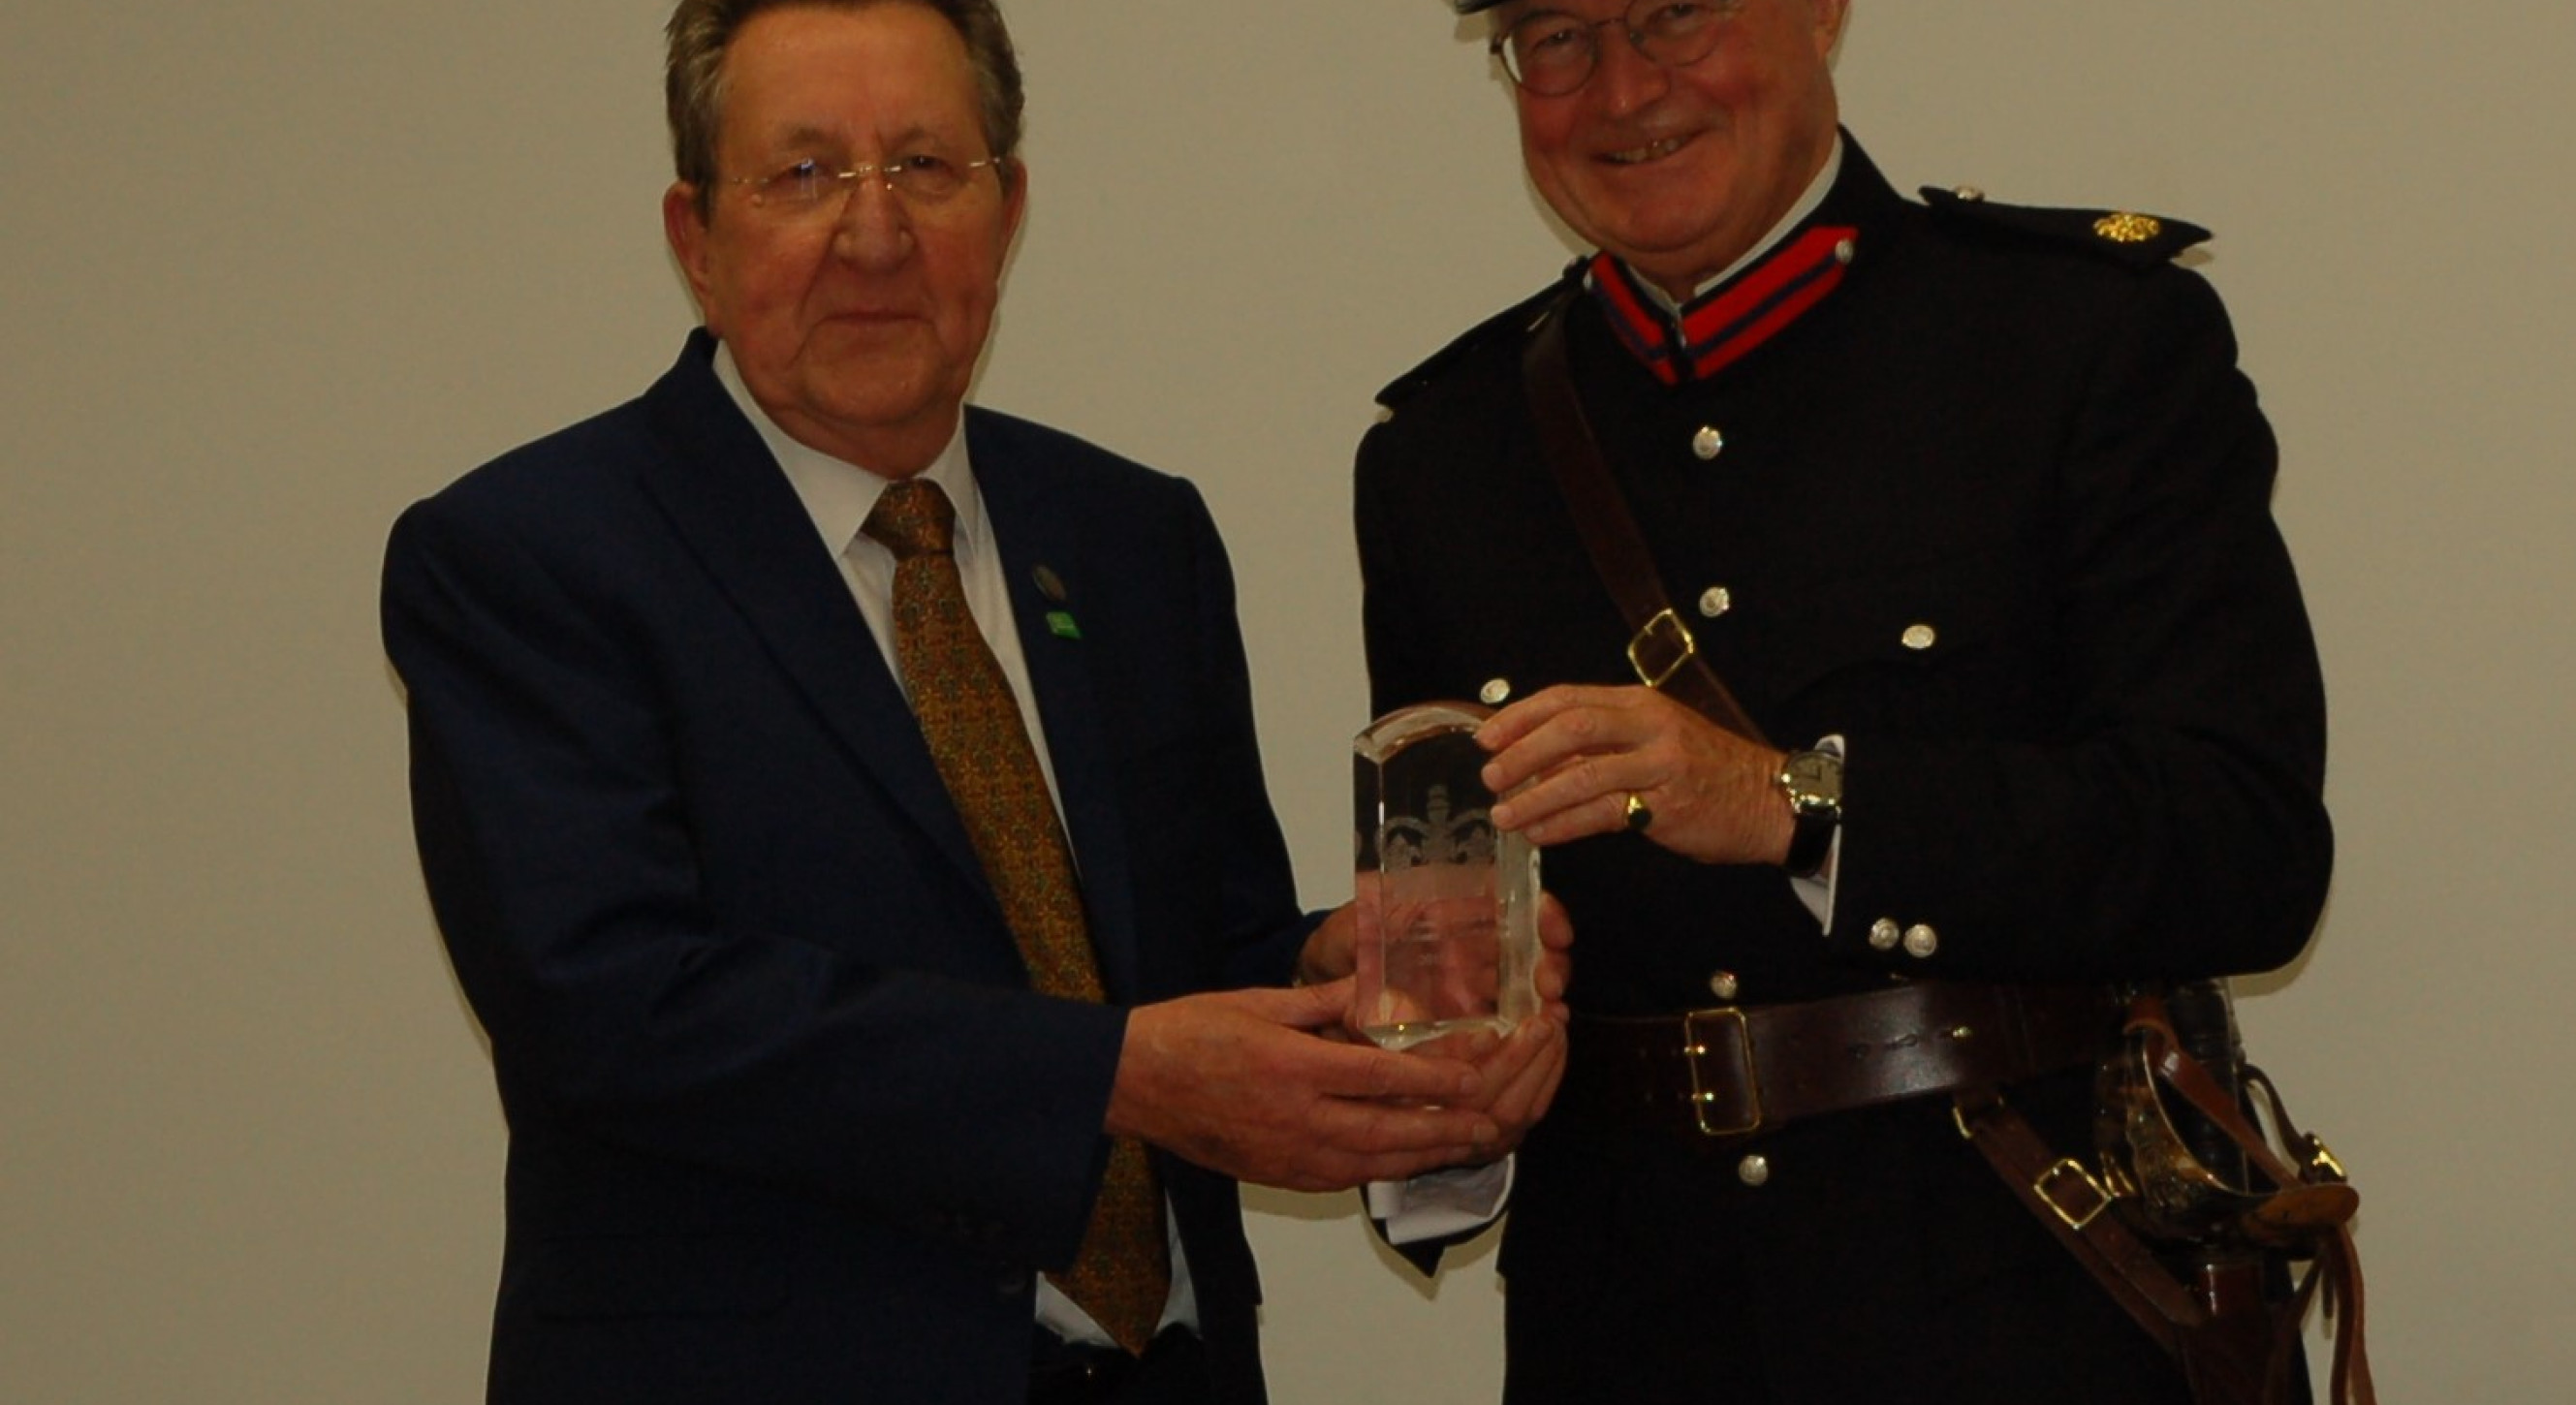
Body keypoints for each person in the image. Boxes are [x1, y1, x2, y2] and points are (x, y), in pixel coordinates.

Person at [381, 3, 1560, 1402]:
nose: (872, 237)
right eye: (803, 175)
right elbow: (616, 1004)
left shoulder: (1132, 535)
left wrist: (1345, 982)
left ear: (1006, 213)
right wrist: (1112, 1075)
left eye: (926, 168)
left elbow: (1198, 947)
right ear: (696, 237)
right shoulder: (532, 555)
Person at [1344, 2, 2334, 1400]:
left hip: (2026, 1309)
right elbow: (1464, 940)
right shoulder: (1442, 454)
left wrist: (1790, 806)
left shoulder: (2080, 339)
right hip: (1623, 1327)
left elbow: (2244, 847)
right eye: (1553, 37)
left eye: (1673, 16)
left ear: (1819, 13)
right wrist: (1427, 1059)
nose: (1620, 93)